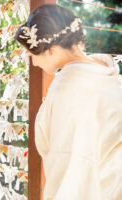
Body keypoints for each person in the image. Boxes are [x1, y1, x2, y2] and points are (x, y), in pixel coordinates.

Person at [15, 4, 122, 200]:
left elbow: (69, 160)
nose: (35, 64)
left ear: (52, 50)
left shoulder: (68, 88)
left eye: (32, 56)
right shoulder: (109, 75)